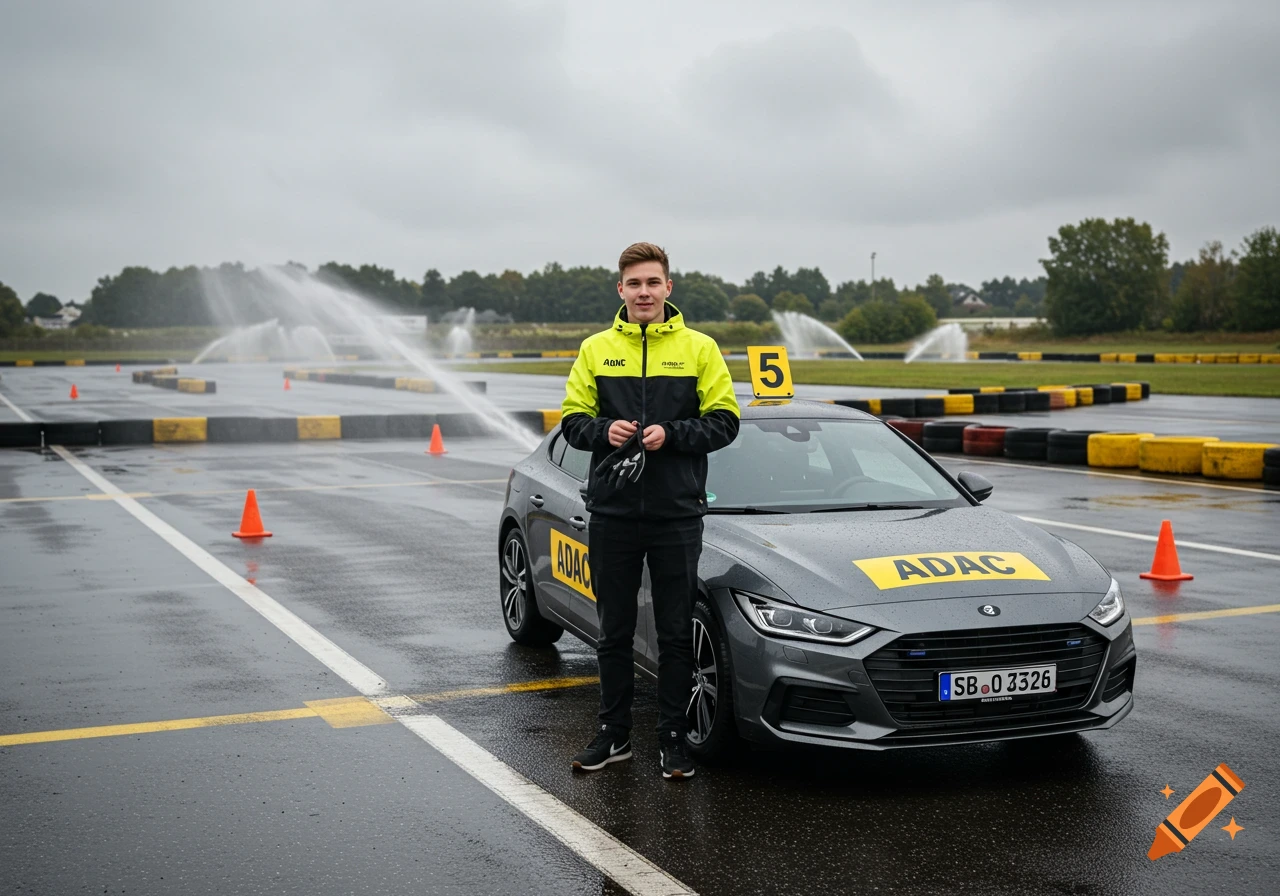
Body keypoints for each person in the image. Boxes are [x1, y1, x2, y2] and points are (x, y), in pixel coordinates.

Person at [560, 242, 740, 780]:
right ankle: (613, 735)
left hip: (676, 515)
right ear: (621, 290)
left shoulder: (700, 348)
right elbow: (571, 419)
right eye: (633, 283)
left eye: (652, 282)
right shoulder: (595, 348)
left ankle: (672, 737)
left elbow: (726, 421)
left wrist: (674, 434)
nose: (643, 292)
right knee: (612, 630)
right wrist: (601, 431)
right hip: (613, 512)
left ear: (668, 288)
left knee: (674, 633)